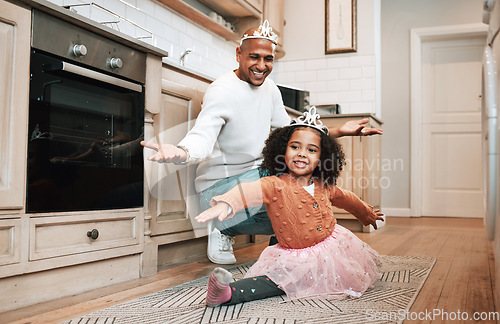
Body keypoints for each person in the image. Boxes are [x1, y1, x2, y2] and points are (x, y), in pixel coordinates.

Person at [141, 20, 383, 265]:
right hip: (219, 191)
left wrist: (339, 131)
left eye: (268, 59)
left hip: (257, 176)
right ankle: (222, 229)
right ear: (239, 54)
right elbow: (202, 136)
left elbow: (293, 134)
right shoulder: (222, 91)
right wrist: (182, 151)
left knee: (305, 176)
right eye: (254, 57)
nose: (261, 65)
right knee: (289, 189)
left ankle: (283, 243)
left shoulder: (270, 89)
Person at [195, 107, 384, 306]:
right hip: (295, 256)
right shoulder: (275, 184)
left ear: (322, 158)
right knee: (277, 282)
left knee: (349, 269)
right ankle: (229, 292)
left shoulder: (325, 186)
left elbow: (348, 199)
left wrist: (366, 214)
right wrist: (227, 203)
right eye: (295, 147)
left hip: (331, 248)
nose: (302, 154)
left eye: (311, 150)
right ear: (282, 151)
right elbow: (248, 190)